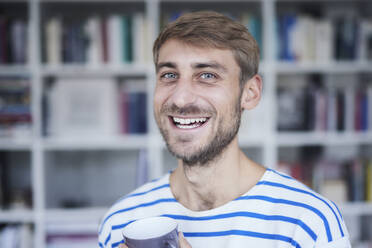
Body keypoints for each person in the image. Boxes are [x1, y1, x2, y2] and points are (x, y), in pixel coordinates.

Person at [98, 11, 351, 248]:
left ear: (250, 93)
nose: (181, 99)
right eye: (169, 75)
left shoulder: (310, 222)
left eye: (207, 75)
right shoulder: (120, 223)